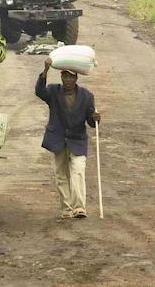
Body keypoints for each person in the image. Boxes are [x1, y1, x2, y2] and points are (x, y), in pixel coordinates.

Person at [35, 57, 101, 220]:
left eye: (72, 77)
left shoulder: (87, 96)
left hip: (77, 140)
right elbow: (39, 92)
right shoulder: (53, 91)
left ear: (76, 78)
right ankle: (66, 208)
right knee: (61, 174)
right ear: (62, 76)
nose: (68, 80)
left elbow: (91, 123)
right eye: (65, 76)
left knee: (78, 171)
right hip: (58, 139)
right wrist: (45, 70)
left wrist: (96, 118)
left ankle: (79, 207)